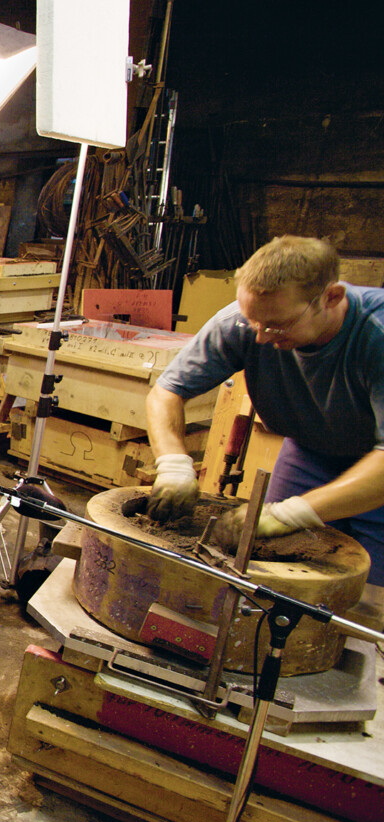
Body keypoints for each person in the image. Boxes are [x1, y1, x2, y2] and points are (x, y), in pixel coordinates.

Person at [145, 235, 384, 582]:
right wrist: (173, 465)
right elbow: (167, 391)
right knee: (270, 577)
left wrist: (294, 512)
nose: (260, 337)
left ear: (331, 298)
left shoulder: (376, 335)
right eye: (253, 321)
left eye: (277, 325)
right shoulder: (247, 321)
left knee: (367, 593)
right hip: (310, 453)